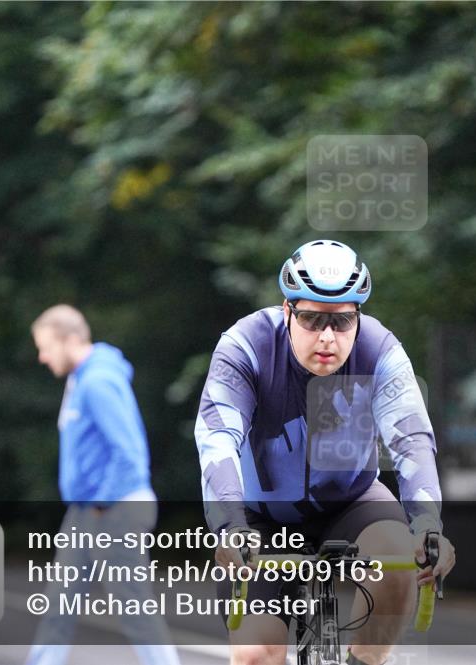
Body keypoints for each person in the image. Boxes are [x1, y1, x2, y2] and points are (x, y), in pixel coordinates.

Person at [195, 240, 456, 665]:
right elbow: (217, 438)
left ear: (359, 317)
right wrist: (228, 525)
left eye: (342, 321)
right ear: (286, 310)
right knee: (256, 654)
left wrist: (427, 524)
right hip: (262, 516)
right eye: (312, 319)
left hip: (352, 500)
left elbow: (411, 439)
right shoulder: (245, 346)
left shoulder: (381, 349)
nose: (327, 337)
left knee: (396, 557)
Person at [25, 305, 181, 665]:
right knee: (60, 604)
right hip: (87, 509)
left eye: (46, 346)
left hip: (114, 508)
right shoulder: (80, 378)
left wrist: (101, 505)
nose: (42, 356)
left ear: (71, 340)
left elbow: (129, 453)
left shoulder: (98, 382)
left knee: (134, 608)